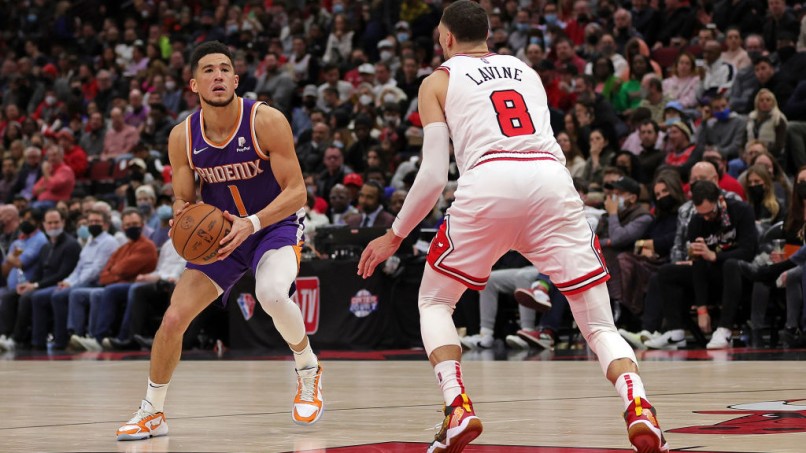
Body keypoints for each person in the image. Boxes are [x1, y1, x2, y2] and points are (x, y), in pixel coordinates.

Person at [357, 3, 668, 452]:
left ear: (444, 38)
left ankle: (457, 406)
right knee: (599, 324)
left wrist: (395, 234)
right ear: (488, 33)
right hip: (550, 183)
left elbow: (431, 176)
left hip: (489, 183)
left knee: (434, 301)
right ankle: (639, 406)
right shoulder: (524, 70)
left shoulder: (438, 80)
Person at [116, 41, 323, 441]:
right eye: (208, 70)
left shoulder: (265, 120)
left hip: (273, 225)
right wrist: (182, 212)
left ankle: (308, 369)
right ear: (194, 83)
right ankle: (153, 412)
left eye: (225, 69)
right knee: (174, 319)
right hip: (220, 236)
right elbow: (182, 196)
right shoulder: (183, 136)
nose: (218, 76)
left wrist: (253, 222)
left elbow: (297, 192)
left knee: (272, 293)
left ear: (236, 79)